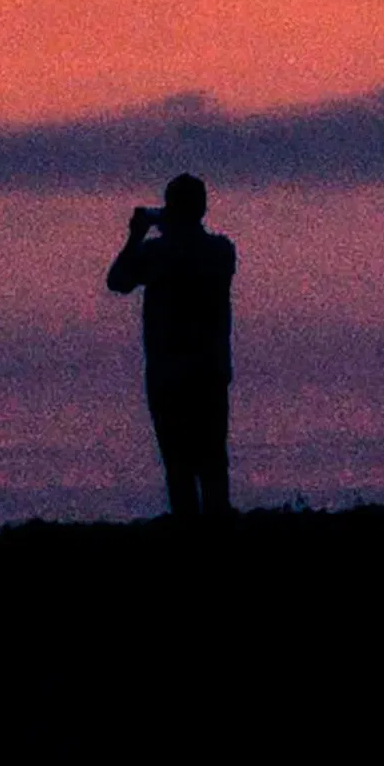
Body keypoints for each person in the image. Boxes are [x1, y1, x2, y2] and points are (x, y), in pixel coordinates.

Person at [105, 173, 238, 523]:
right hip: (209, 371)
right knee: (212, 460)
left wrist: (137, 234)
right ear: (203, 208)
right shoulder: (220, 251)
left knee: (178, 463)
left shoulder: (157, 254)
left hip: (169, 374)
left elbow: (117, 280)